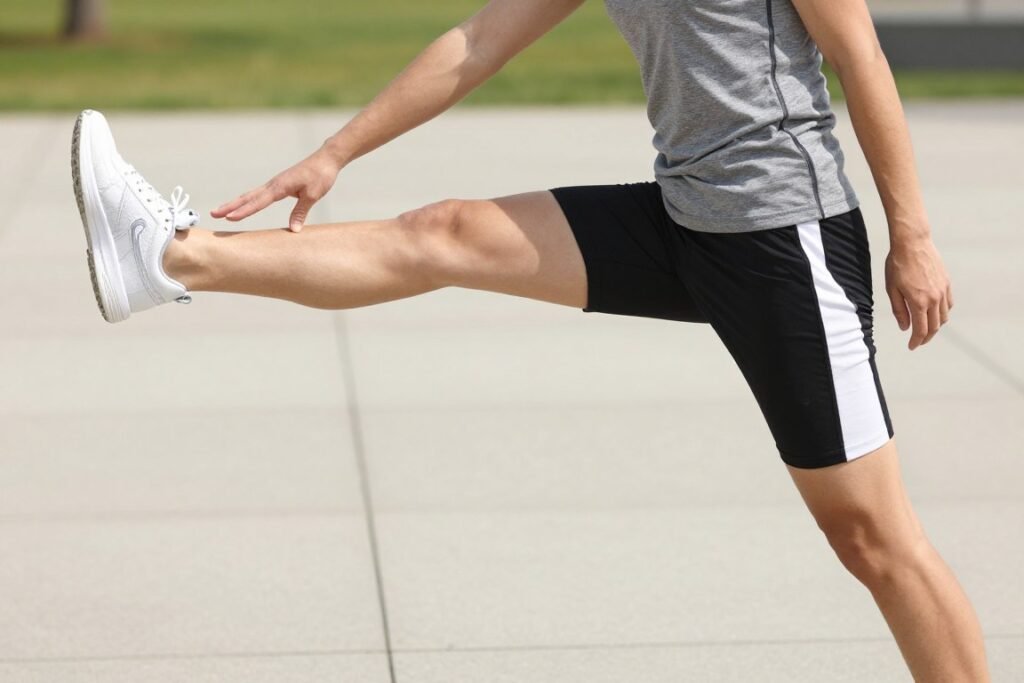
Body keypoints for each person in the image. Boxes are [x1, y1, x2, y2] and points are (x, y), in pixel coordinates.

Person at [70, 0, 989, 679]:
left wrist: (912, 234)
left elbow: (859, 54)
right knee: (447, 232)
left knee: (873, 538)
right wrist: (336, 151)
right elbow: (477, 43)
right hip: (684, 218)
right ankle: (170, 258)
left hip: (785, 239)